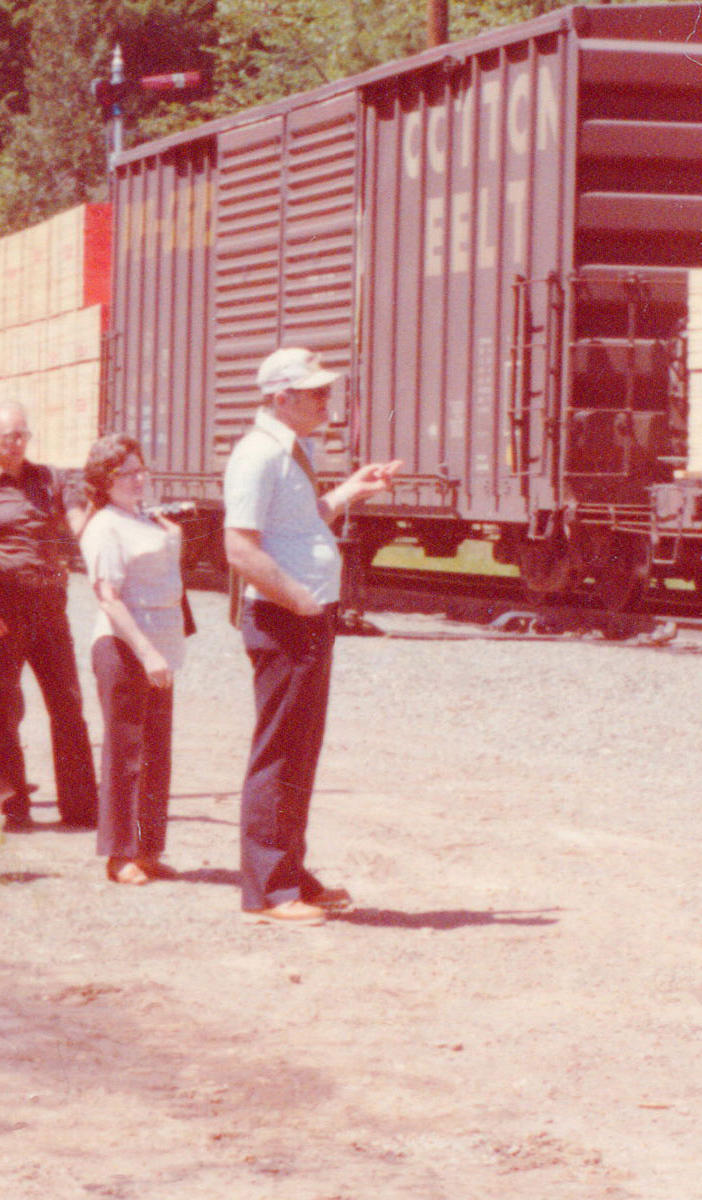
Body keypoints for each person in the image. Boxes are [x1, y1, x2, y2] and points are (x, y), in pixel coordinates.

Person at [224, 347, 401, 925]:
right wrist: (299, 599)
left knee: (300, 750)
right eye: (316, 392)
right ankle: (268, 890)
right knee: (279, 752)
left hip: (306, 614)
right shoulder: (257, 455)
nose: (327, 400)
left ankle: (289, 873)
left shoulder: (292, 452)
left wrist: (350, 490)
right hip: (285, 617)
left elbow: (300, 524)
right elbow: (240, 548)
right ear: (281, 397)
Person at [0, 401, 98, 830]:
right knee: (4, 706)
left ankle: (81, 808)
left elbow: (77, 522)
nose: (18, 443)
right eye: (8, 436)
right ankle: (12, 804)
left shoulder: (51, 479)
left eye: (23, 434)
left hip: (48, 607)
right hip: (1, 607)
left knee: (68, 703)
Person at [79, 434, 186, 884]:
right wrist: (145, 652)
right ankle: (118, 854)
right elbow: (109, 597)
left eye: (141, 470)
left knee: (156, 752)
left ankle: (146, 849)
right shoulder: (105, 526)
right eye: (126, 473)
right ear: (104, 481)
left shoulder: (146, 519)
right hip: (125, 648)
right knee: (125, 752)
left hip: (159, 650)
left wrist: (174, 540)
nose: (138, 479)